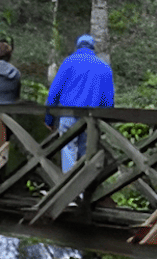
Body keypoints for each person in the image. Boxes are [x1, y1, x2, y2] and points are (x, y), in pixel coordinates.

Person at [44, 34, 115, 172]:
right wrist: (106, 123)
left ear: (77, 46)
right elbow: (108, 100)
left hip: (68, 116)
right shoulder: (104, 68)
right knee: (86, 154)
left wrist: (49, 119)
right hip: (92, 120)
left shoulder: (68, 63)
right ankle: (83, 191)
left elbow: (54, 94)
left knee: (68, 152)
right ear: (93, 47)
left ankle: (70, 190)